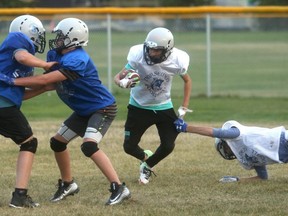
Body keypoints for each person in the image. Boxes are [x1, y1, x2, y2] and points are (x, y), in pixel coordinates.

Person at [0, 18, 131, 205]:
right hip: (83, 110)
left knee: (89, 146)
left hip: (101, 108)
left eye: (61, 36)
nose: (57, 39)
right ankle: (68, 184)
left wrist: (12, 82)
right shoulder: (55, 54)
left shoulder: (78, 59)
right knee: (57, 143)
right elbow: (48, 84)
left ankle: (119, 187)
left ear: (74, 38)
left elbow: (45, 81)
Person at [114, 27, 192, 184]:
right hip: (138, 106)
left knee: (168, 145)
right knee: (129, 147)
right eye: (150, 48)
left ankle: (147, 165)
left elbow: (187, 81)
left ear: (167, 50)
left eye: (157, 50)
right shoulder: (137, 56)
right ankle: (146, 156)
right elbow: (118, 76)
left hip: (163, 106)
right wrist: (122, 83)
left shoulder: (177, 60)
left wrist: (183, 108)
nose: (151, 53)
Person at [0, 14, 57, 208]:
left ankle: (20, 196)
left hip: (5, 105)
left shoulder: (23, 56)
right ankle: (19, 197)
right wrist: (45, 65)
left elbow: (17, 95)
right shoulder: (18, 41)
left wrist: (43, 88)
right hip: (2, 107)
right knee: (29, 143)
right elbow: (21, 56)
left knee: (28, 142)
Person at [174, 118, 288, 182]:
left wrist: (186, 128)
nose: (226, 152)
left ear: (225, 143)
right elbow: (263, 178)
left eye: (224, 149)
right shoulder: (248, 157)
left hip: (284, 140)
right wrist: (237, 179)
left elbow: (214, 132)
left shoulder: (236, 135)